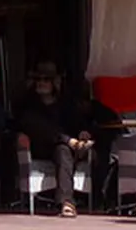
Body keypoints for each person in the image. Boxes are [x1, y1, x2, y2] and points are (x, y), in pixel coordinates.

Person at [14, 62, 92, 218]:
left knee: (65, 150)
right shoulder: (29, 105)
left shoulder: (65, 104)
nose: (41, 83)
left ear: (55, 82)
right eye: (38, 79)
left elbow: (77, 123)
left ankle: (68, 203)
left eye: (46, 79)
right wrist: (69, 140)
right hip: (40, 147)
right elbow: (31, 126)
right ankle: (67, 201)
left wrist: (83, 133)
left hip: (65, 150)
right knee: (58, 141)